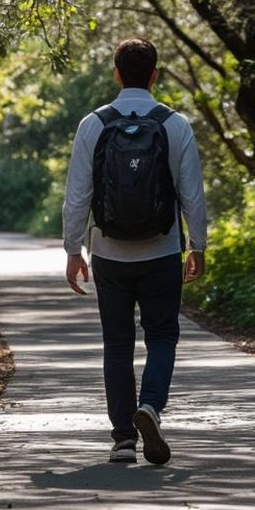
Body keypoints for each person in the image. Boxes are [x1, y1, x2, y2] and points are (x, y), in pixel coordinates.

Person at [62, 37, 208, 465]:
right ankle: (150, 406)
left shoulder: (94, 123)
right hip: (162, 251)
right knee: (162, 335)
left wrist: (74, 249)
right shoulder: (174, 124)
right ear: (155, 74)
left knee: (118, 343)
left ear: (116, 73)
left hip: (109, 253)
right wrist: (197, 244)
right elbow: (192, 194)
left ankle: (123, 439)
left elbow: (77, 195)